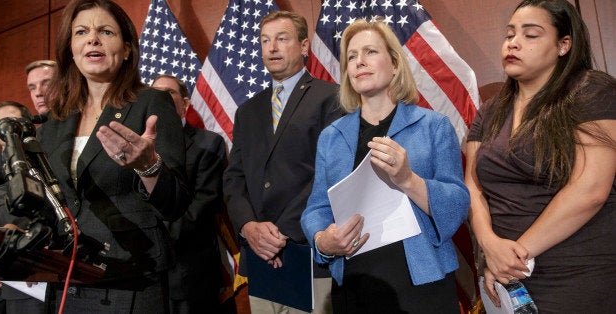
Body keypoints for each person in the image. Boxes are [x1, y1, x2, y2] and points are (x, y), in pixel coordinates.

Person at [0, 0, 189, 312]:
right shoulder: (55, 122)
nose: (92, 39)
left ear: (125, 50)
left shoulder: (151, 103)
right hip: (68, 276)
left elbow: (176, 203)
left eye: (105, 31)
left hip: (133, 277)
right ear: (71, 49)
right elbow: (47, 196)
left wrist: (148, 166)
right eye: (81, 32)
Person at [300, 19, 470, 313]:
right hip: (354, 288)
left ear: (394, 65)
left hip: (422, 287)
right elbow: (316, 209)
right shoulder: (331, 137)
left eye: (369, 52)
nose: (359, 62)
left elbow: (457, 206)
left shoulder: (434, 126)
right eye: (351, 57)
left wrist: (408, 180)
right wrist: (324, 241)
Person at [465, 0, 616, 312]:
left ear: (563, 45)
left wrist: (514, 256)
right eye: (509, 35)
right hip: (504, 274)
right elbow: (473, 186)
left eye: (530, 35)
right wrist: (490, 245)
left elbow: (590, 190)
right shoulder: (490, 110)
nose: (514, 43)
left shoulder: (591, 90)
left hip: (576, 273)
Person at [223, 10, 343, 314]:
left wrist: (279, 236)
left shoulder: (332, 98)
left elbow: (331, 174)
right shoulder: (247, 111)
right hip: (260, 256)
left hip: (307, 250)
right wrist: (249, 227)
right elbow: (234, 180)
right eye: (265, 41)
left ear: (304, 47)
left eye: (281, 38)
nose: (272, 47)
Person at [152, 74, 226, 314]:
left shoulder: (209, 143)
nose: (161, 97)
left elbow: (204, 203)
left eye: (169, 92)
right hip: (148, 277)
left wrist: (155, 239)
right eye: (156, 93)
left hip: (190, 274)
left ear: (185, 103)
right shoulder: (139, 147)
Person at [0, 101, 46, 314]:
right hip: (13, 285)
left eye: (13, 122)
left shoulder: (47, 159)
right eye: (1, 125)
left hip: (46, 275)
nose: (8, 130)